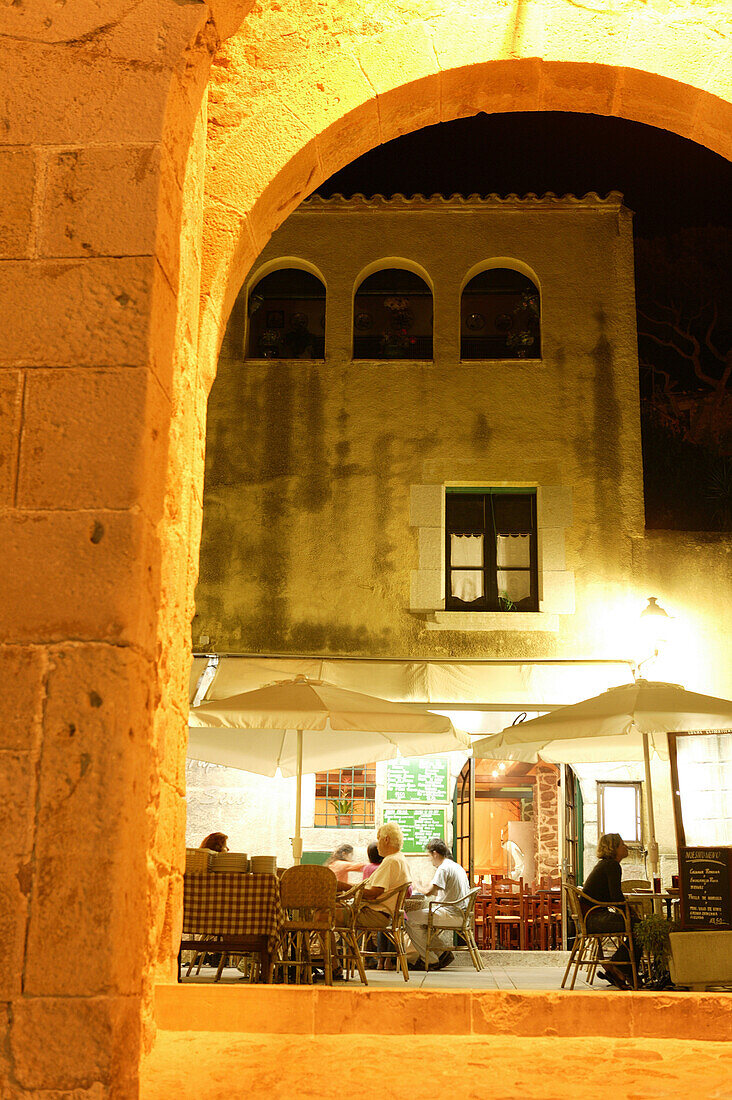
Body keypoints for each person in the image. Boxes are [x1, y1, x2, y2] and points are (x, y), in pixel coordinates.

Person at [582, 832, 641, 989]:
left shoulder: (605, 865)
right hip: (594, 919)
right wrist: (629, 911)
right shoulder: (612, 866)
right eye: (622, 844)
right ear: (613, 848)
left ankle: (619, 968)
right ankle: (620, 967)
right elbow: (616, 896)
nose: (626, 846)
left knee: (636, 923)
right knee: (641, 927)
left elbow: (611, 897)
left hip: (589, 916)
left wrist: (627, 909)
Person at [405, 838, 470, 970]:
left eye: (430, 856)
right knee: (421, 921)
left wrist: (416, 884)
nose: (430, 860)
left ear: (435, 853)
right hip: (460, 914)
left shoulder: (443, 868)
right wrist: (424, 887)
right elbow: (437, 890)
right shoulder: (455, 866)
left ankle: (430, 960)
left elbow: (429, 892)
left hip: (452, 915)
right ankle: (442, 953)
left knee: (409, 919)